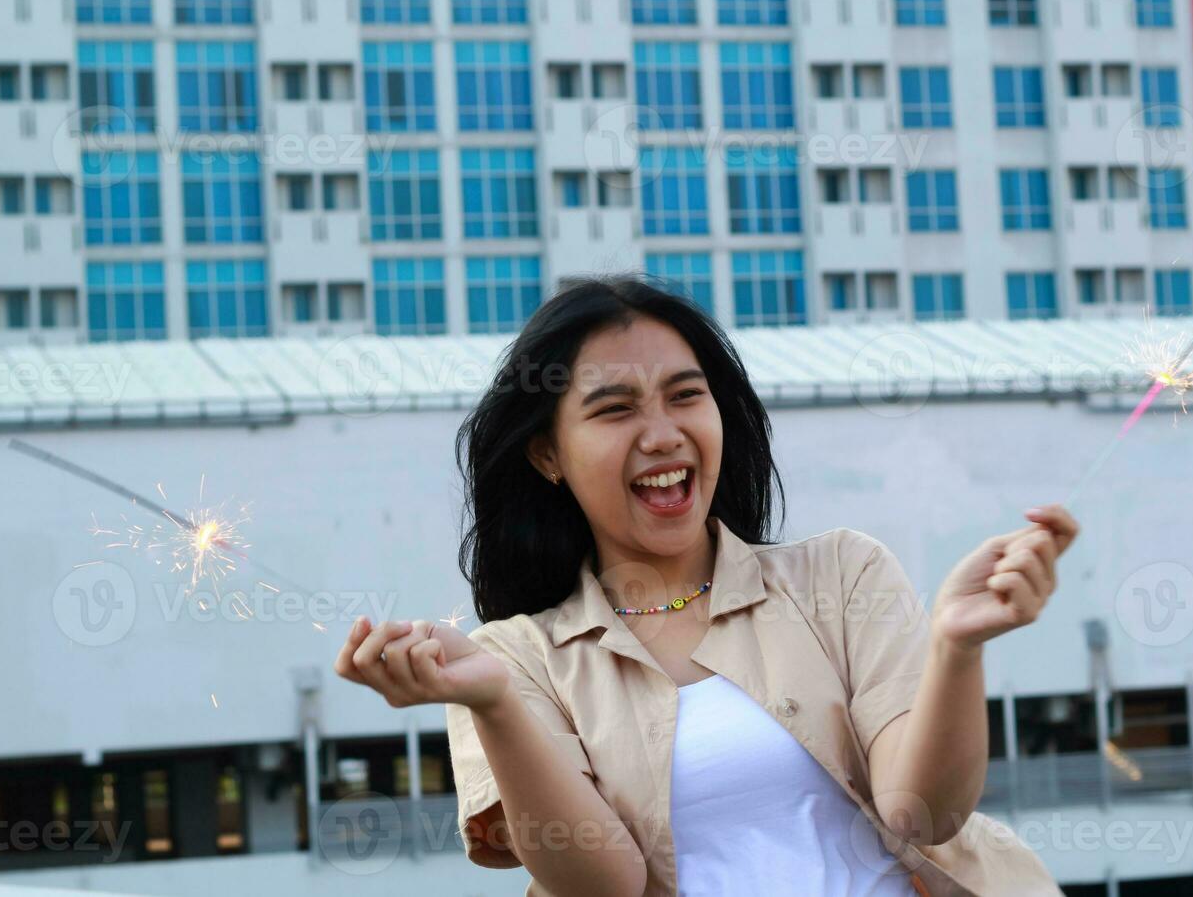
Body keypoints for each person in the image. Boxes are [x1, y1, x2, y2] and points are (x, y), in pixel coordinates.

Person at [334, 273, 1078, 896]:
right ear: (547, 456)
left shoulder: (843, 574)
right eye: (615, 409)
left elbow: (924, 816)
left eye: (686, 396)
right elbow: (602, 885)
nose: (662, 433)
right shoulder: (509, 659)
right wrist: (492, 702)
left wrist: (955, 648)